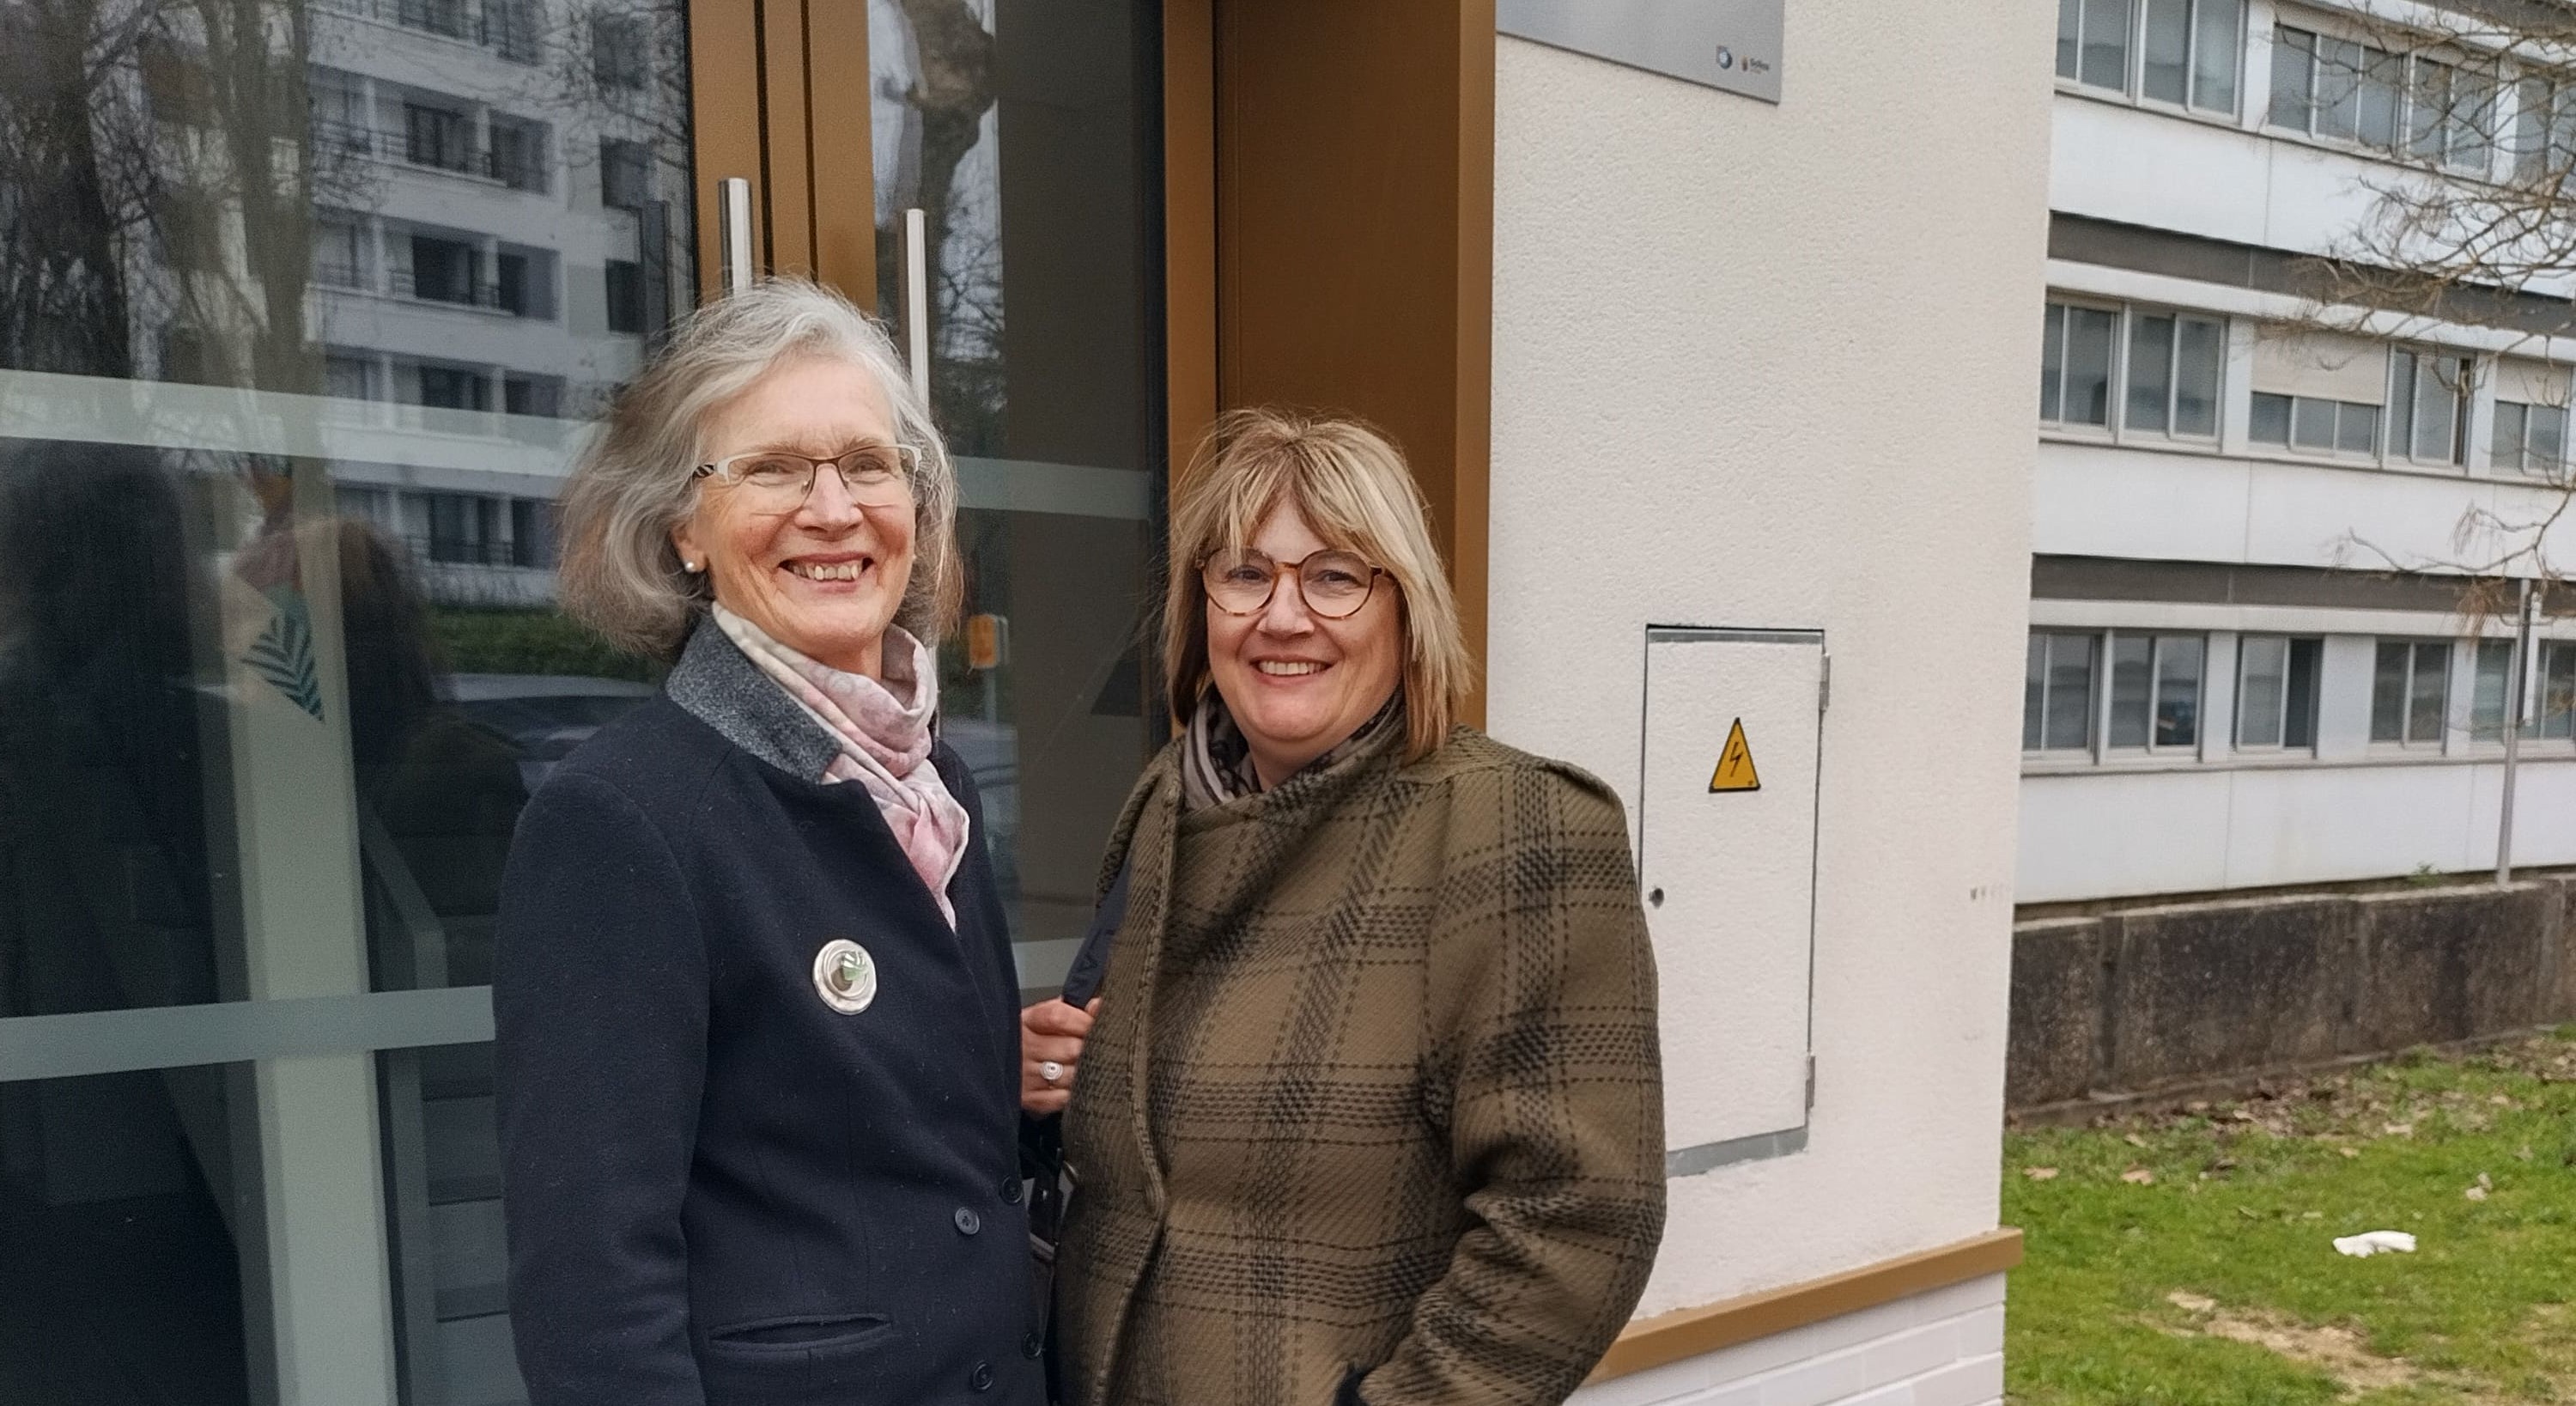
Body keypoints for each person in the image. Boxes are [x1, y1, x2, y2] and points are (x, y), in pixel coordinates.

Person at [1036, 408, 1667, 1406]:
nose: (1283, 615)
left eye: (1334, 575)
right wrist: (1070, 1084)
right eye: (1245, 572)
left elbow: (1577, 1220)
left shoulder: (1517, 824)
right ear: (1202, 605)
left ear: (1403, 608)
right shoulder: (1166, 799)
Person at [493, 278, 1042, 1406]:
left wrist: (1013, 1087)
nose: (833, 509)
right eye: (777, 468)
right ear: (684, 527)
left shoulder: (929, 784)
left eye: (867, 464)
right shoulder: (622, 820)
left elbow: (875, 1151)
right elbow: (592, 1283)